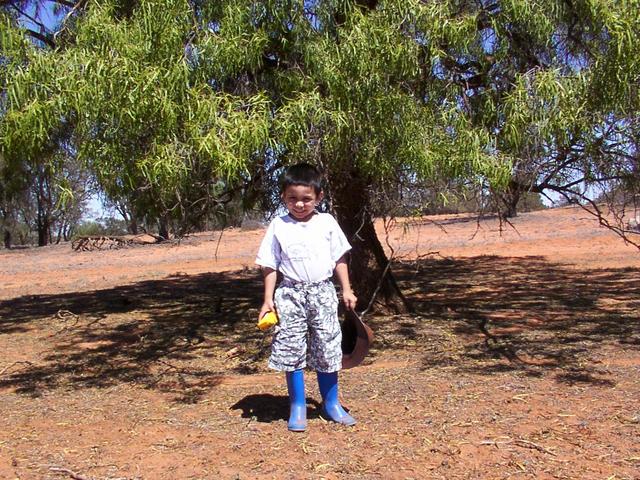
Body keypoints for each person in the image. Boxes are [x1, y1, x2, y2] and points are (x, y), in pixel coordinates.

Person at [255, 163, 358, 432]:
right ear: (283, 197)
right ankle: (298, 406)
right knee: (291, 348)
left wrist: (346, 289)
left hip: (322, 292)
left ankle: (331, 403)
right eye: (293, 198)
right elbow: (269, 264)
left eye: (306, 199)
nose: (299, 204)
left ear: (319, 198)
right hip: (289, 294)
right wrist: (268, 300)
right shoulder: (278, 226)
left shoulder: (326, 222)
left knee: (327, 345)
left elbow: (339, 257)